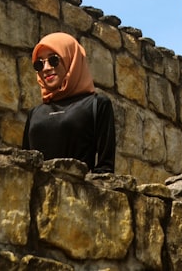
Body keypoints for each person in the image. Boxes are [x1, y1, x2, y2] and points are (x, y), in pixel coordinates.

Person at [22, 32, 116, 173]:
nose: (46, 68)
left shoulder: (97, 105)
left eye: (53, 60)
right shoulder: (34, 113)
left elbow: (105, 169)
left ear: (72, 60)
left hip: (77, 193)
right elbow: (25, 165)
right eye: (39, 64)